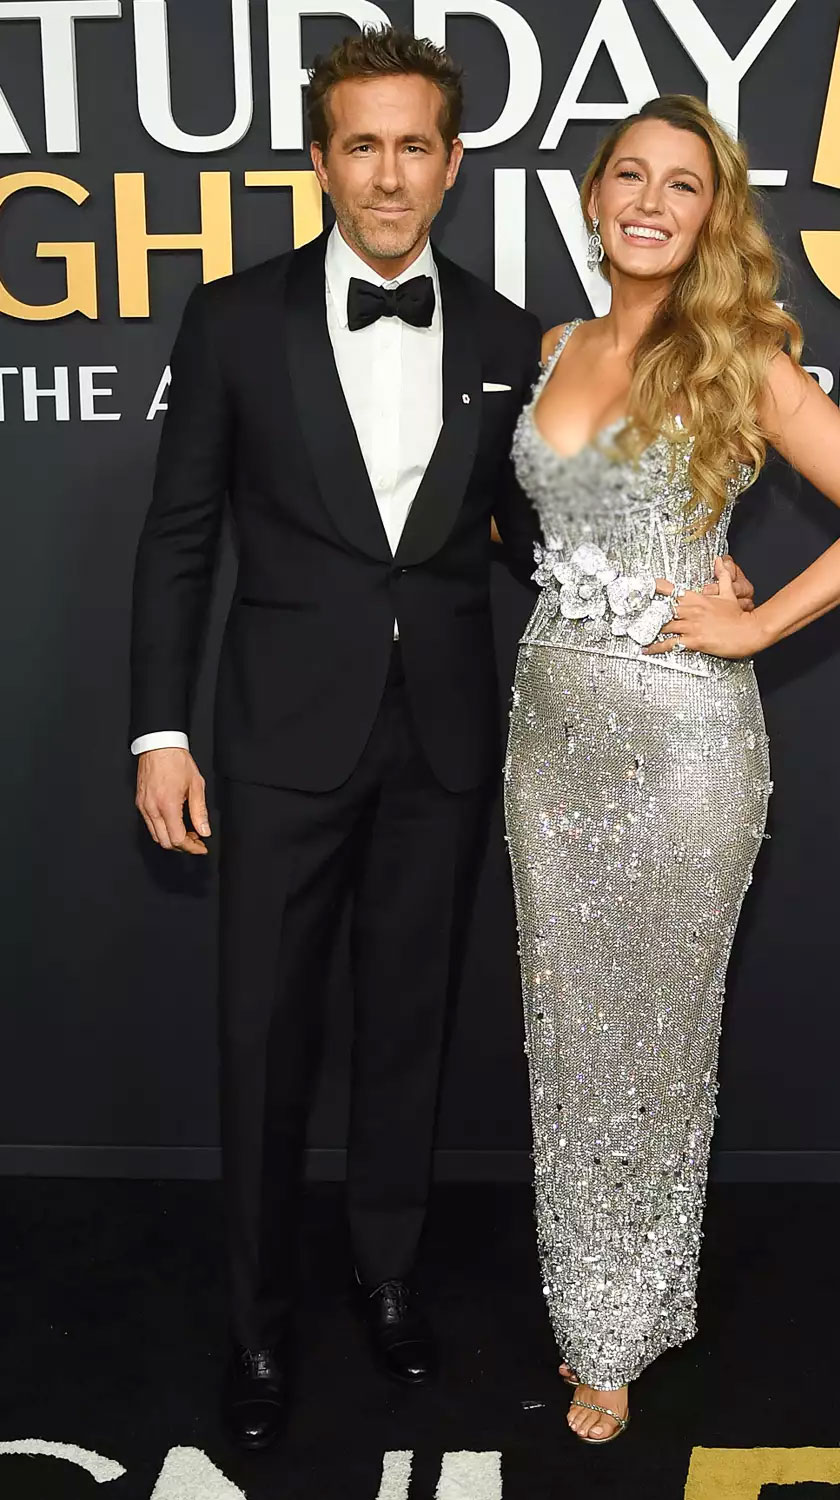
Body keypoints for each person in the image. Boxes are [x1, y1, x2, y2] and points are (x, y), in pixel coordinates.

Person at [128, 25, 551, 1450]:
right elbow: (179, 540)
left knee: (408, 1025)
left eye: (413, 145)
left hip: (441, 739)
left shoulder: (503, 335)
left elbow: (539, 533)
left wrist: (673, 571)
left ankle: (387, 1272)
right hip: (273, 741)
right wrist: (159, 732)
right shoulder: (231, 320)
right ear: (320, 161)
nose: (387, 174)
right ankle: (255, 1327)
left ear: (453, 161)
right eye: (361, 145)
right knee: (264, 1038)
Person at [503, 94, 840, 1446]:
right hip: (551, 740)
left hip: (686, 743)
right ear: (592, 198)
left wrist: (752, 619)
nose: (650, 201)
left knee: (660, 1039)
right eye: (629, 176)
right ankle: (597, 1299)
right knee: (570, 1035)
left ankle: (619, 1327)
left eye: (681, 184)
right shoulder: (556, 346)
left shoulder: (736, 357)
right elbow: (551, 520)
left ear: (711, 215)